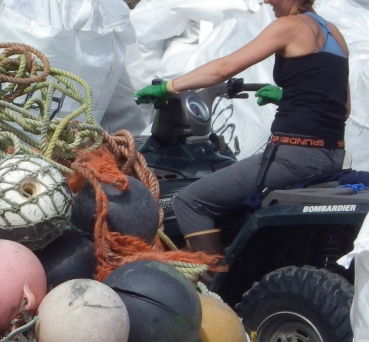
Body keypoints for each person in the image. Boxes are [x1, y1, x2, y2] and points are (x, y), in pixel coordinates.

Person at [133, 0, 350, 279]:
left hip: (292, 155)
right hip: (331, 156)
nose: (267, 1)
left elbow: (223, 69)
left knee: (190, 202)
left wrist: (168, 86)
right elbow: (343, 109)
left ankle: (215, 290)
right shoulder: (335, 34)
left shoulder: (289, 26)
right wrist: (289, 96)